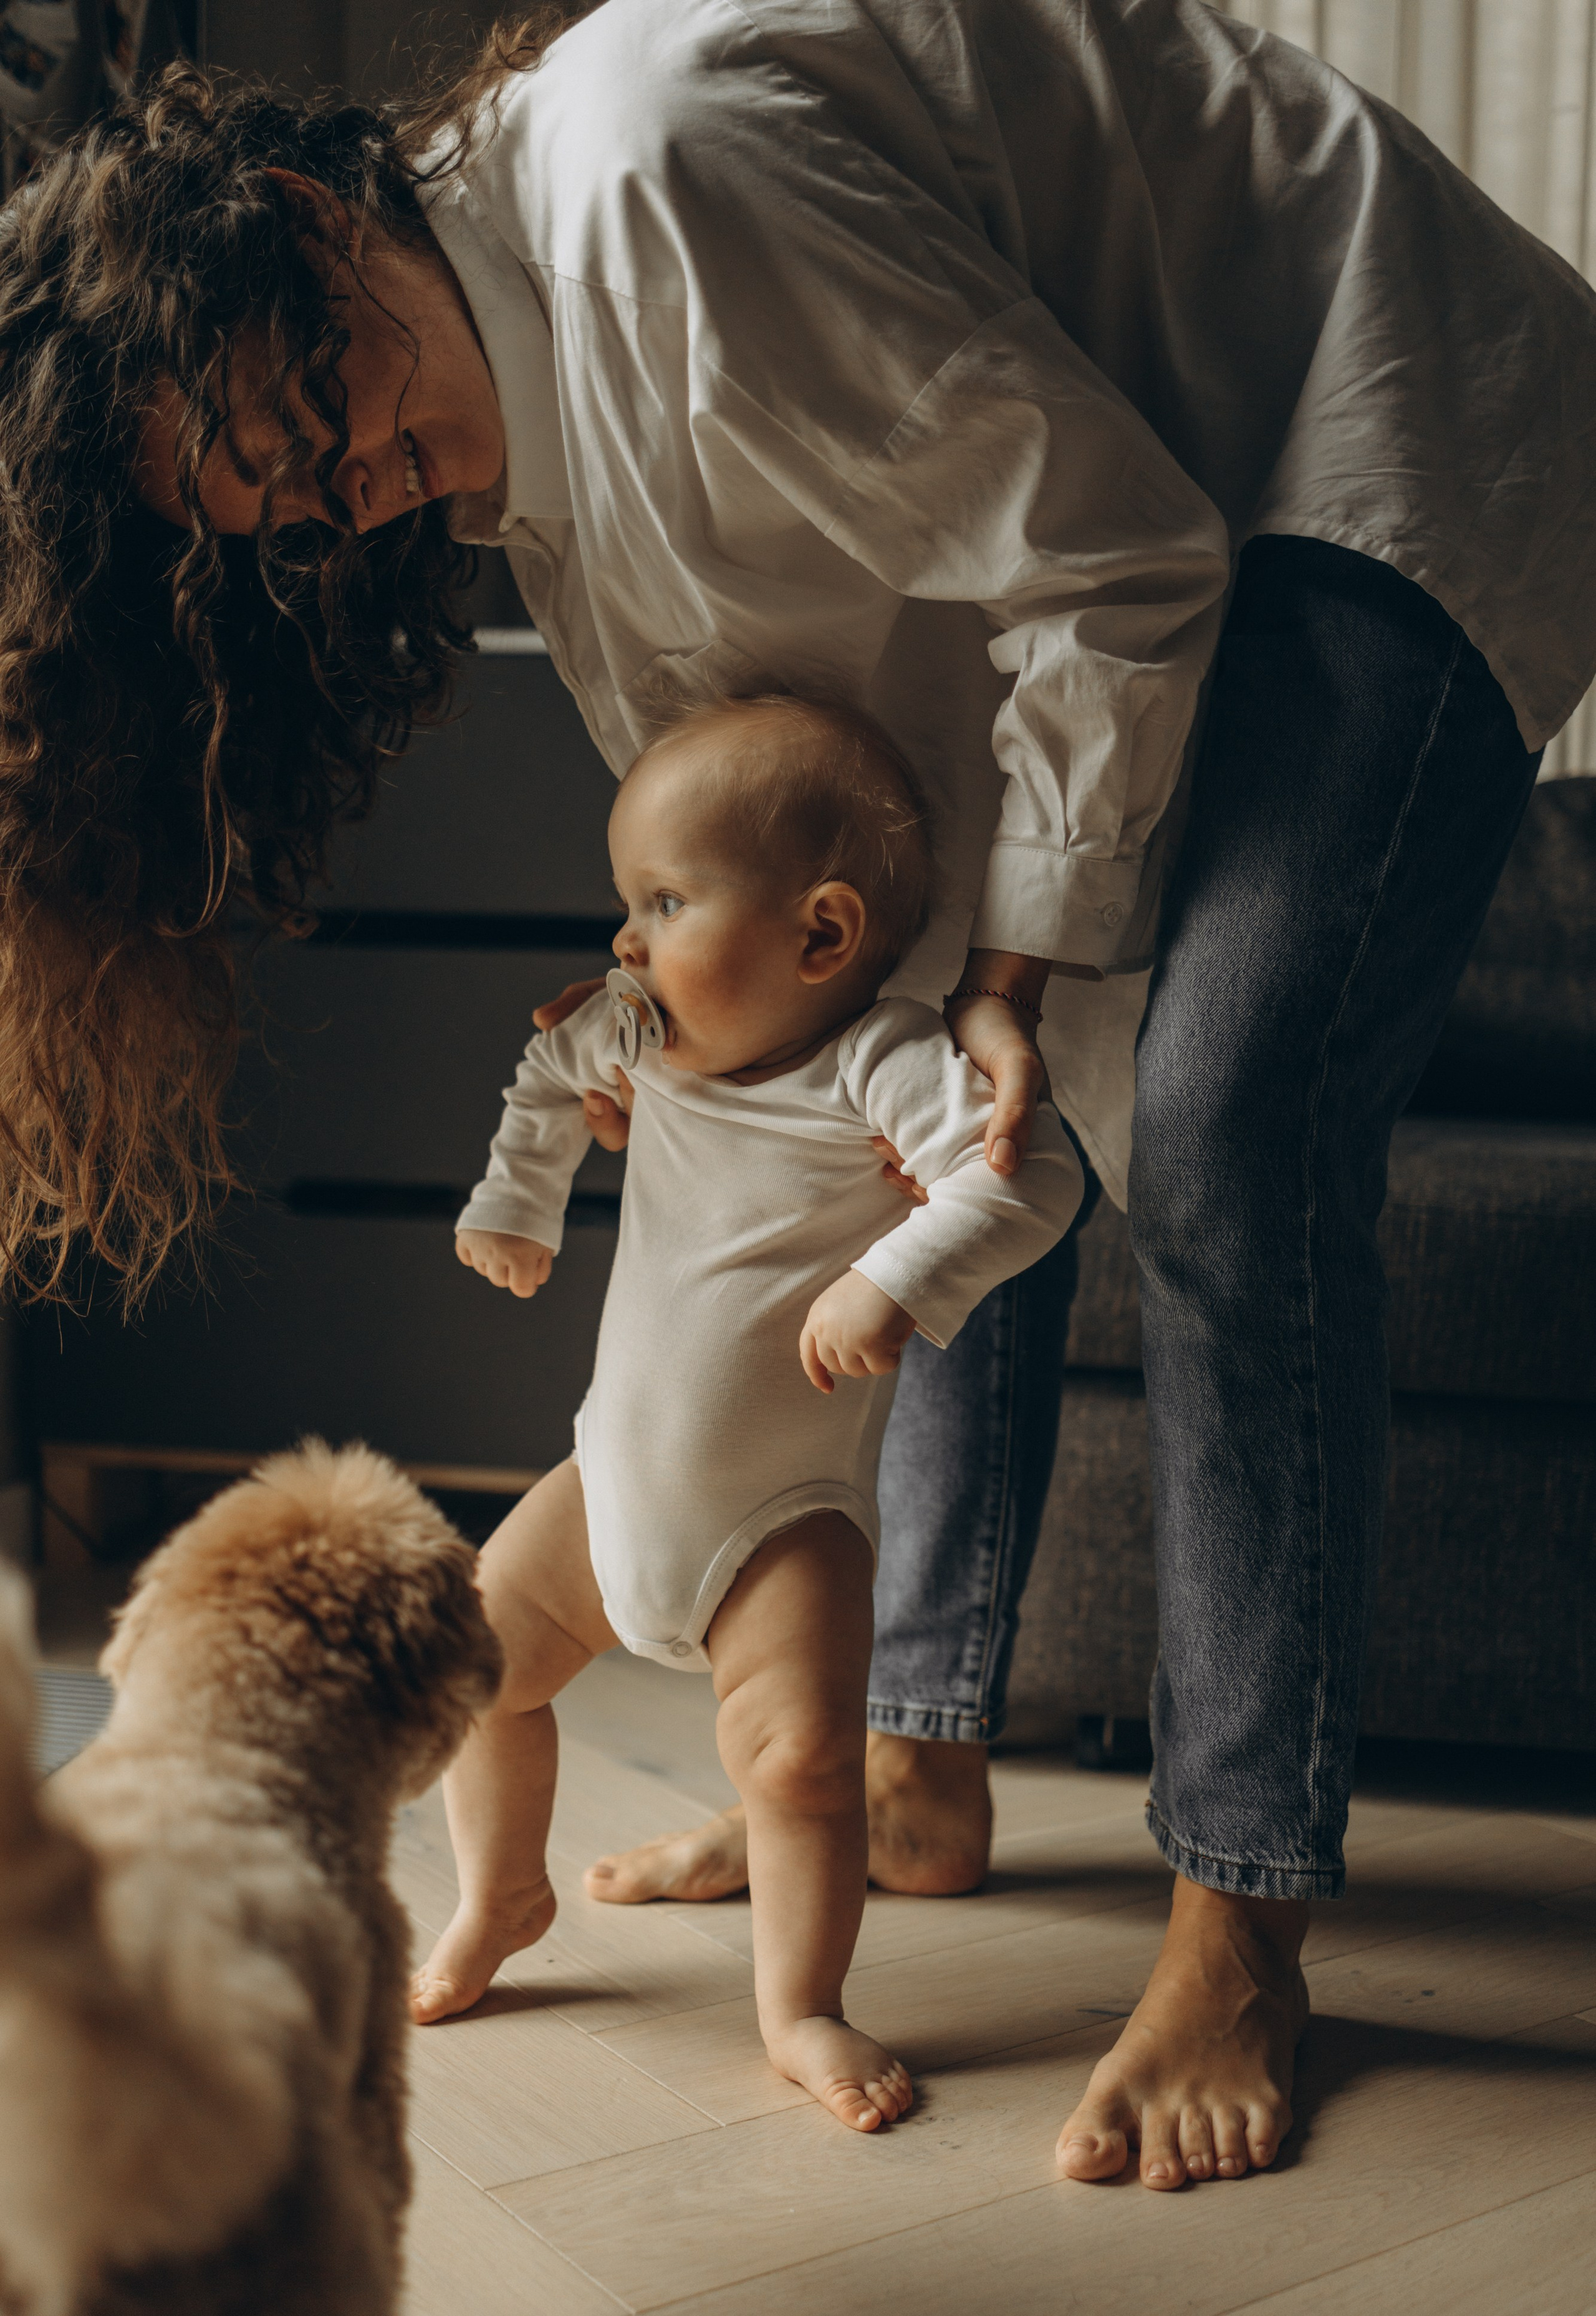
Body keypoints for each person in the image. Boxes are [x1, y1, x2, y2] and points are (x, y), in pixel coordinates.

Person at [3, 1, 1592, 2187]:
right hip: (1170, 495)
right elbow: (871, 888)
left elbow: (1125, 561)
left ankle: (1241, 1920)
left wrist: (1018, 977)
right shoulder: (534, 469)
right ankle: (911, 1765)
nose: (332, 498)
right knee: (917, 1063)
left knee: (1221, 1126)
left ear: (298, 229)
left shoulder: (659, 188)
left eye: (299, 428)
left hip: (1354, 420)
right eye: (272, 513)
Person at [410, 691, 1082, 2135]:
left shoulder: (881, 1064)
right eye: (622, 904)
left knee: (798, 1766)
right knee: (475, 1666)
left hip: (779, 1527)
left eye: (660, 902)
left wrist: (888, 1281)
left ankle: (799, 2008)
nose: (623, 943)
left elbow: (1029, 1182)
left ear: (821, 936)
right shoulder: (641, 1038)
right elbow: (542, 1077)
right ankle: (498, 1897)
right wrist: (517, 1202)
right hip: (605, 1493)